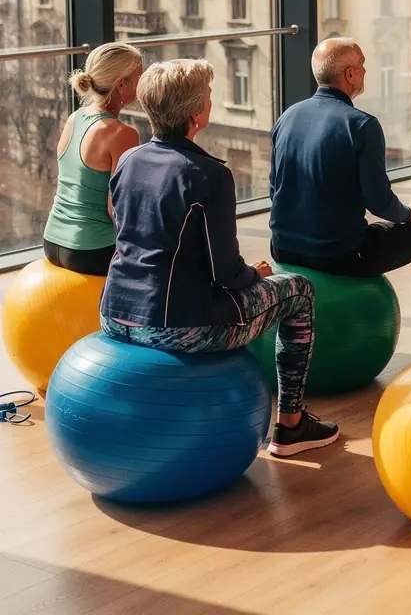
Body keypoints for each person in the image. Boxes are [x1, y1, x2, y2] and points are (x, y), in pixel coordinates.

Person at [99, 59, 338, 458]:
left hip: (113, 314)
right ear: (197, 113)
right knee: (299, 290)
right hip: (179, 326)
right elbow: (226, 273)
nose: (211, 100)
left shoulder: (128, 160)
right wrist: (256, 275)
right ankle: (292, 426)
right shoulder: (207, 174)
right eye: (208, 96)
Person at [269, 37, 411, 277]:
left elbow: (275, 190)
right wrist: (408, 213)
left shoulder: (287, 117)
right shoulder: (362, 125)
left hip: (282, 249)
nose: (366, 70)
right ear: (350, 74)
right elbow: (379, 202)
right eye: (363, 65)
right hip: (340, 256)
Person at [42, 42, 143, 275]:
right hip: (90, 249)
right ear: (121, 84)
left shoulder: (75, 118)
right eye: (139, 76)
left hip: (53, 241)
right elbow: (117, 209)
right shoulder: (122, 134)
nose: (143, 83)